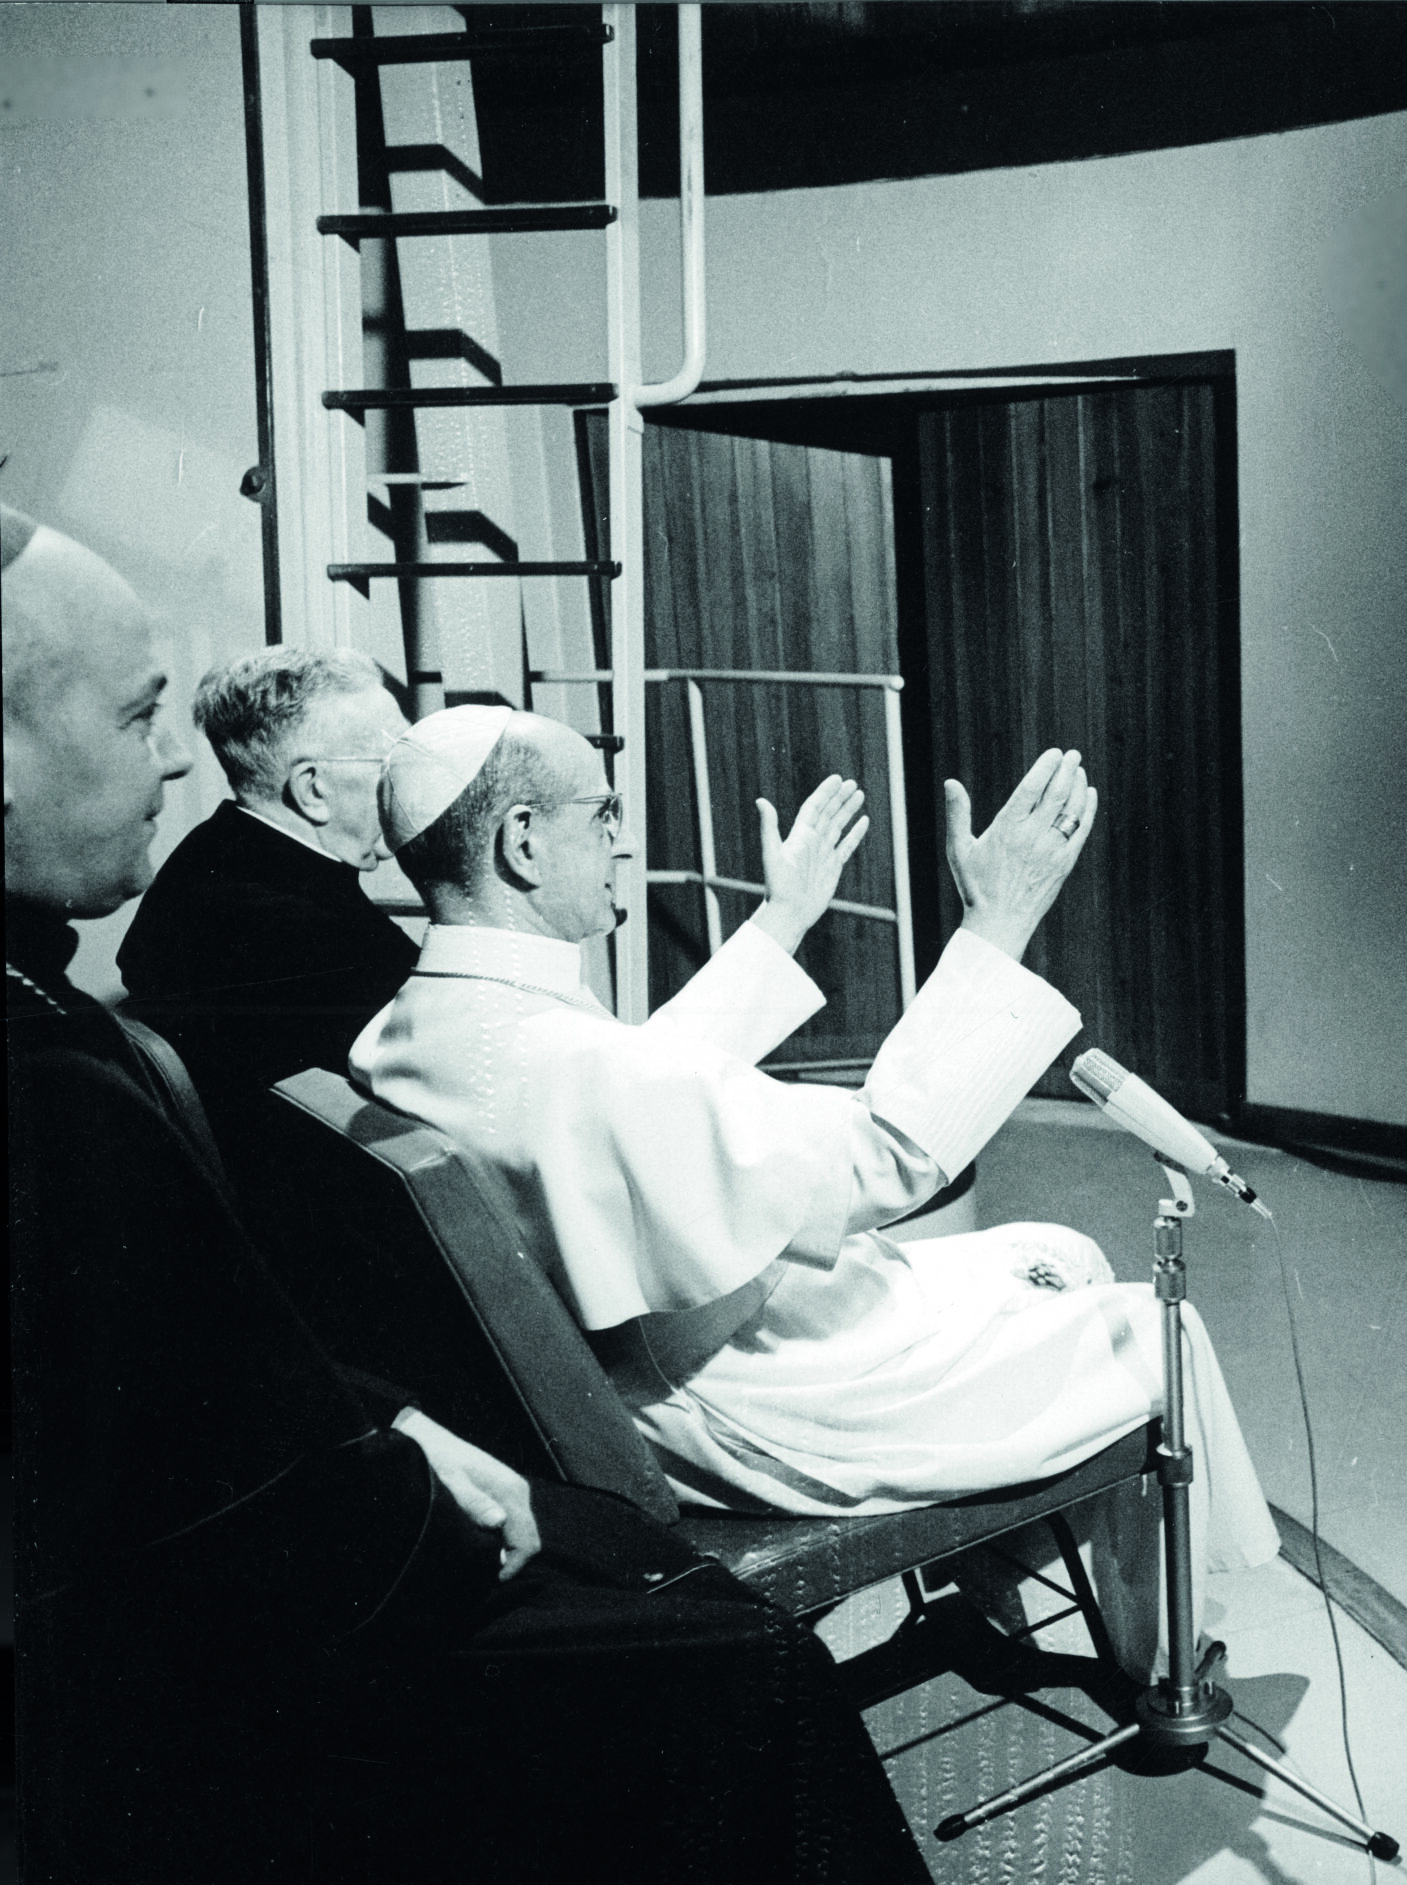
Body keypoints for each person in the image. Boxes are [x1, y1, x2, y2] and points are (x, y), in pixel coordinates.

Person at [3, 504, 930, 1884]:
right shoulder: (124, 1034)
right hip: (250, 1623)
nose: (175, 755)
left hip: (337, 1427)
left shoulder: (181, 942)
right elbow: (610, 1105)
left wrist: (383, 1424)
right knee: (746, 1658)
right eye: (140, 716)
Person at [347, 705, 1279, 1669]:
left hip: (666, 1370)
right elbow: (885, 1157)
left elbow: (643, 1083)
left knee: (1062, 1252)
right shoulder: (568, 1059)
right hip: (747, 1403)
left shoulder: (420, 1024)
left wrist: (783, 915)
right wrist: (1000, 919)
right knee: (1153, 1332)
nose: (622, 840)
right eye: (604, 812)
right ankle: (1167, 1671)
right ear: (523, 841)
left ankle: (997, 1567)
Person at [117, 645, 420, 1169]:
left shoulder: (206, 857)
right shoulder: (307, 938)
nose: (408, 784)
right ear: (313, 789)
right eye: (395, 763)